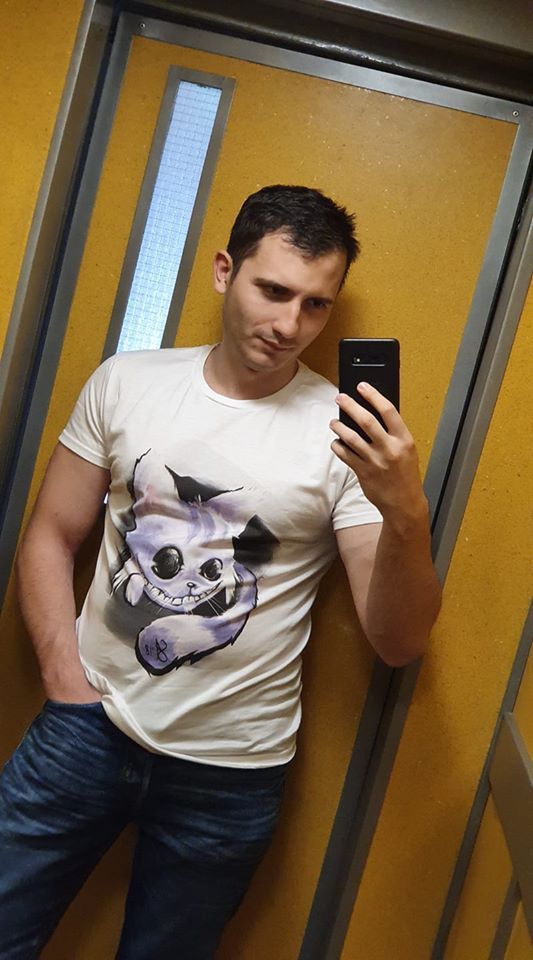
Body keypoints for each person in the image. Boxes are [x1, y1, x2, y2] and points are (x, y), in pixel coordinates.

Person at [0, 185, 441, 959]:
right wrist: (64, 680)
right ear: (223, 271)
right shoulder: (128, 382)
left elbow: (398, 641)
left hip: (231, 772)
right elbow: (50, 533)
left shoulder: (342, 437)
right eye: (272, 291)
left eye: (314, 305)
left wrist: (403, 508)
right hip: (87, 729)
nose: (288, 325)